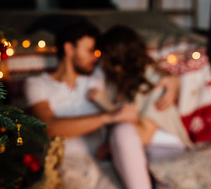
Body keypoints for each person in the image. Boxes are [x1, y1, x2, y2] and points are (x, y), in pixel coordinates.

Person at [24, 19, 179, 188]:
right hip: (67, 164)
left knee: (124, 132)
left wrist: (171, 80)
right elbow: (49, 127)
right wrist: (108, 117)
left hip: (104, 164)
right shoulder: (37, 84)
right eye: (90, 51)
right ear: (69, 49)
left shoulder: (97, 76)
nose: (95, 57)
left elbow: (135, 64)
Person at [88, 25, 194, 189]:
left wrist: (108, 108)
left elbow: (144, 134)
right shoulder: (112, 82)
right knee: (121, 131)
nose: (99, 63)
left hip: (166, 148)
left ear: (118, 59)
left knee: (122, 130)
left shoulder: (155, 79)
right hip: (138, 153)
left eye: (103, 57)